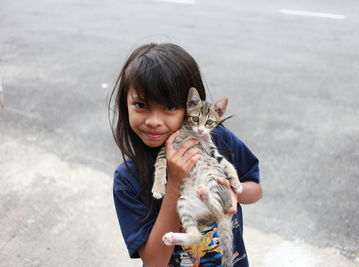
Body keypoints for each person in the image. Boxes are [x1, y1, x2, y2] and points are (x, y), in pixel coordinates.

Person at [109, 43, 263, 267]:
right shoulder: (128, 178)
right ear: (125, 105)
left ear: (190, 107)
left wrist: (234, 194)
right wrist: (174, 183)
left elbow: (255, 190)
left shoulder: (219, 141)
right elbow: (154, 262)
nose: (154, 120)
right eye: (141, 104)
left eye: (169, 107)